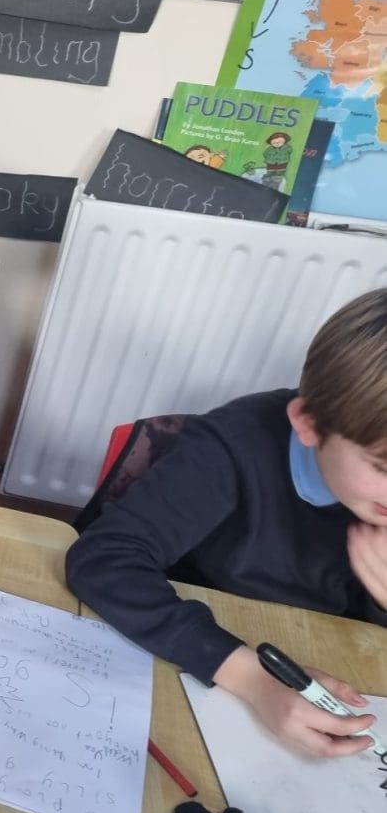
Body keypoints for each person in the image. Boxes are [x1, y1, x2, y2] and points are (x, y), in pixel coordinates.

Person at [66, 288, 387, 757]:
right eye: (382, 467)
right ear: (309, 424)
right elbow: (103, 559)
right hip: (187, 658)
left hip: (318, 678)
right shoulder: (235, 446)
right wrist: (253, 678)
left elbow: (365, 637)